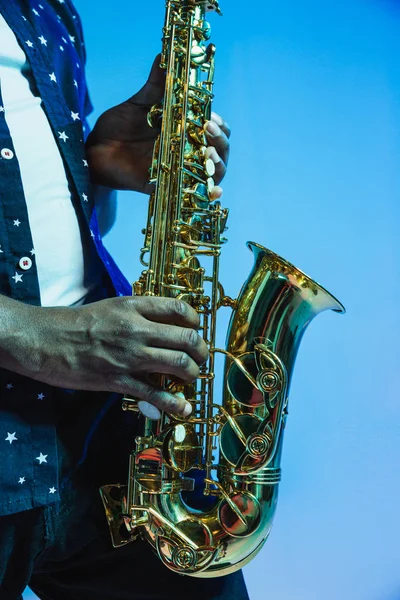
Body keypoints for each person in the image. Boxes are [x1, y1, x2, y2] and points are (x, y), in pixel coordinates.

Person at [0, 1, 249, 599]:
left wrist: (95, 167)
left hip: (100, 426)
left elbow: (67, 224)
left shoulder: (45, 9)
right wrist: (34, 334)